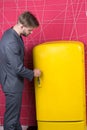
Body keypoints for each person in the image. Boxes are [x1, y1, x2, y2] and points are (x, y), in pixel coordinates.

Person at [0, 11, 41, 130]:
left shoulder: (12, 33)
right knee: (11, 119)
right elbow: (18, 68)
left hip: (12, 80)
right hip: (11, 83)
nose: (31, 32)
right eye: (30, 30)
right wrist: (33, 73)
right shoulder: (11, 42)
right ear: (21, 26)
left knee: (15, 115)